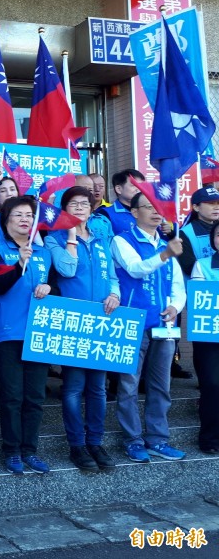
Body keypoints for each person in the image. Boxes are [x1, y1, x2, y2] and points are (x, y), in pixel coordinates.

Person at [44, 186, 119, 472]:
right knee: (74, 387)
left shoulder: (101, 241)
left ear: (92, 208)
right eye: (73, 204)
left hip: (100, 322)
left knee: (98, 389)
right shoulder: (55, 239)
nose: (79, 208)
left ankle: (95, 442)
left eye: (84, 204)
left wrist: (115, 295)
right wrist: (72, 236)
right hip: (74, 323)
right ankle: (77, 445)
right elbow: (67, 270)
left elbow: (112, 276)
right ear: (64, 209)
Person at [110, 192, 186, 462]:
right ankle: (132, 440)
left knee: (161, 385)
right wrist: (166, 253)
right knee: (129, 386)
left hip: (164, 326)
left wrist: (176, 307)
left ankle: (158, 439)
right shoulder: (122, 240)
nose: (156, 212)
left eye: (159, 208)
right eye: (148, 207)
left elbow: (178, 287)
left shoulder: (166, 244)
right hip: (132, 323)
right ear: (134, 212)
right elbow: (135, 269)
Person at [0, 196, 55, 475]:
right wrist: (17, 265)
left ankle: (30, 450)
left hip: (38, 332)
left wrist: (49, 288)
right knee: (12, 395)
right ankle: (11, 451)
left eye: (29, 215)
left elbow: (56, 288)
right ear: (6, 221)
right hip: (8, 332)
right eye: (18, 215)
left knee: (35, 396)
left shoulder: (44, 253)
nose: (25, 220)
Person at [190, 221, 219, 454]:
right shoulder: (202, 265)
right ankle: (209, 438)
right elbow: (199, 299)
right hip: (209, 337)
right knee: (211, 384)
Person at [178, 185, 219, 278]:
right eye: (211, 203)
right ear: (196, 207)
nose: (216, 207)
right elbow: (189, 268)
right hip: (202, 287)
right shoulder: (184, 233)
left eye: (218, 203)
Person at [96, 169, 144, 236]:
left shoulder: (146, 211)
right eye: (134, 185)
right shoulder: (105, 214)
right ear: (119, 189)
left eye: (141, 185)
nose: (139, 189)